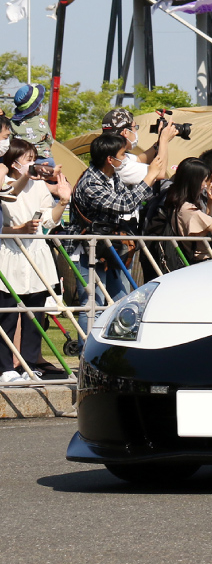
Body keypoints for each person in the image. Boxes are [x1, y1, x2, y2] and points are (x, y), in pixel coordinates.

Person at [67, 126, 173, 343]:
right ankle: (86, 357)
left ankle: (117, 352)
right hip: (88, 249)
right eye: (122, 155)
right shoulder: (91, 182)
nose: (125, 159)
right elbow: (122, 204)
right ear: (109, 159)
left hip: (109, 248)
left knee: (122, 300)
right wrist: (149, 175)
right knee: (93, 306)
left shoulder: (112, 177)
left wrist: (151, 178)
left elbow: (134, 197)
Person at [0, 138, 72, 382]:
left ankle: (29, 365)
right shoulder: (5, 184)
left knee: (35, 315)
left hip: (37, 255)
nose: (34, 165)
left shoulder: (40, 186)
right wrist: (19, 229)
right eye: (28, 160)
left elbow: (48, 223)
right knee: (7, 315)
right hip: (10, 255)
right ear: (12, 161)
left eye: (34, 159)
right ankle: (5, 368)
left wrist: (62, 201)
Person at [163, 159, 212, 264]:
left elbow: (207, 228)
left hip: (201, 260)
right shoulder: (187, 209)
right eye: (204, 181)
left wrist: (210, 203)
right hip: (201, 261)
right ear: (194, 182)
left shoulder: (178, 204)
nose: (205, 185)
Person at [9, 84, 54, 165]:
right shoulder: (42, 121)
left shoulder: (12, 123)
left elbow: (9, 143)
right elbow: (50, 142)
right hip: (45, 160)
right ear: (36, 106)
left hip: (23, 161)